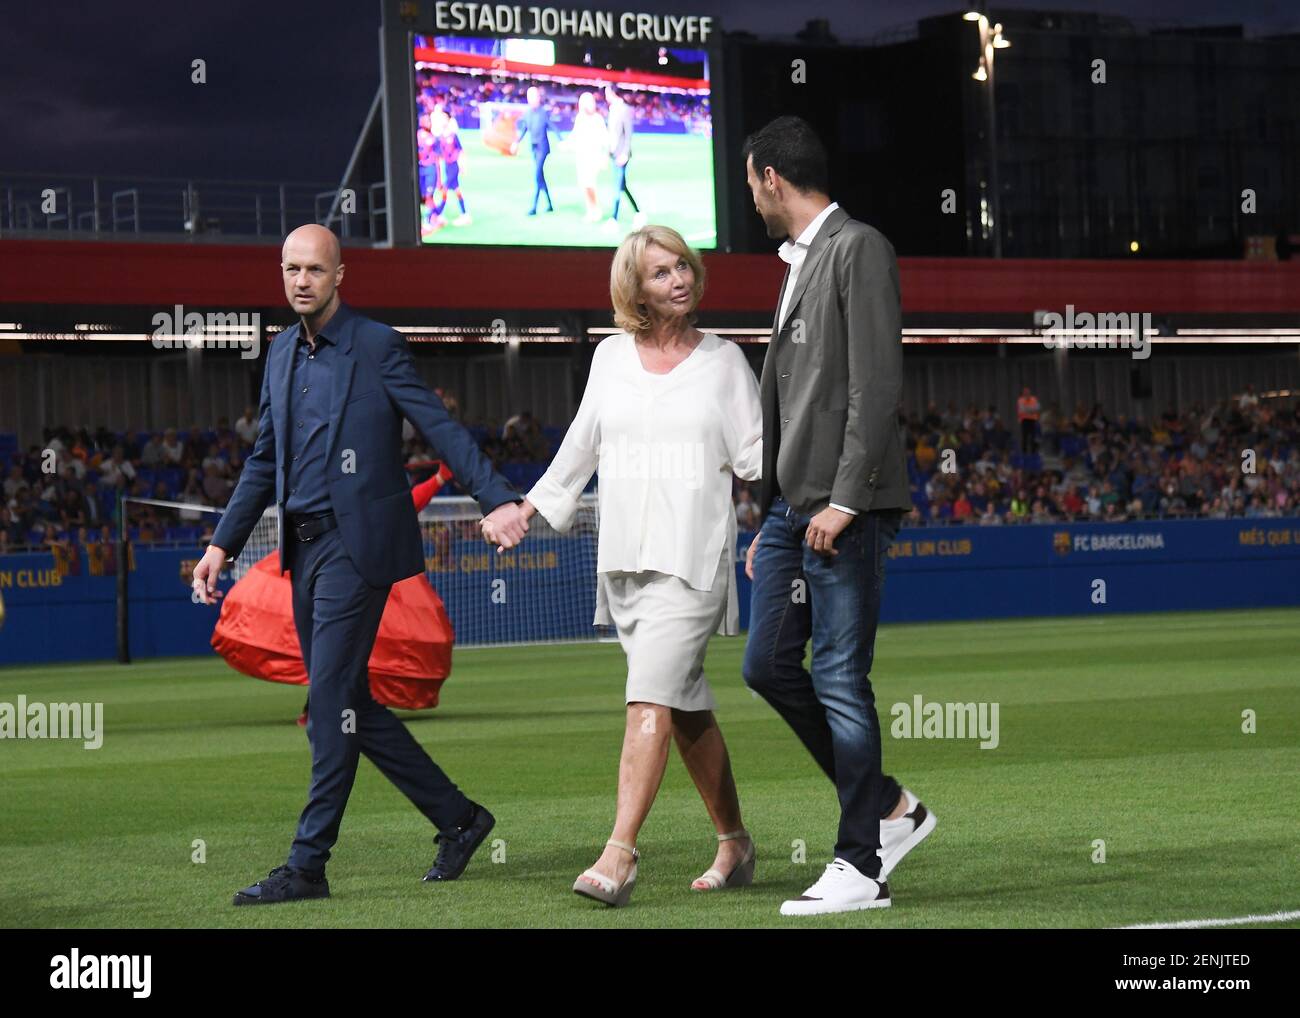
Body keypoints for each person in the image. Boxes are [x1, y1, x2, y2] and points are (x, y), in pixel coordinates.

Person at [191, 224, 529, 906]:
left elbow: (437, 427)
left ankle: (307, 866)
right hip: (303, 549)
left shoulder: (376, 346)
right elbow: (263, 461)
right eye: (290, 268)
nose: (301, 280)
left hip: (358, 547)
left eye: (314, 269)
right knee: (347, 703)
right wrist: (220, 544)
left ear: (339, 274)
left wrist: (496, 498)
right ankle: (460, 819)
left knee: (328, 703)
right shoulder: (280, 352)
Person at [483, 225, 763, 907]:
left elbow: (759, 459)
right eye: (662, 271)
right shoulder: (610, 357)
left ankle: (619, 852)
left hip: (693, 562)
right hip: (626, 564)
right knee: (683, 705)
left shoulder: (726, 362)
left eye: (684, 267)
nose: (679, 279)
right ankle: (735, 842)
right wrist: (526, 507)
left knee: (648, 698)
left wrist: (777, 527)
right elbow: (581, 444)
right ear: (634, 288)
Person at [739, 116, 935, 916]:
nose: (750, 196)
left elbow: (875, 386)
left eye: (751, 182)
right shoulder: (801, 260)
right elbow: (791, 398)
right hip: (792, 509)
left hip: (843, 506)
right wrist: (770, 516)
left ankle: (860, 866)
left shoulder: (859, 248)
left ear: (771, 179)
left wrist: (847, 499)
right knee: (766, 666)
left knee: (841, 681)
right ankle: (892, 809)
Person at [511, 86, 560, 216]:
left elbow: (551, 126)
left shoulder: (543, 112)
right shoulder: (527, 113)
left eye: (533, 96)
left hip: (543, 148)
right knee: (541, 177)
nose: (531, 99)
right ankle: (550, 205)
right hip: (534, 148)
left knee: (537, 175)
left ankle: (534, 206)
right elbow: (524, 129)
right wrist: (516, 142)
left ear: (538, 97)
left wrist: (560, 139)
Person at [605, 85, 645, 229]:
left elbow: (628, 134)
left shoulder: (624, 110)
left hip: (622, 155)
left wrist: (625, 154)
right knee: (622, 186)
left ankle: (613, 219)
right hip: (614, 153)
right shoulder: (612, 109)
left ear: (613, 93)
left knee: (617, 185)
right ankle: (639, 213)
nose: (605, 96)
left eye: (606, 93)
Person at [571, 92, 610, 223]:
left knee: (590, 184)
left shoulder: (597, 119)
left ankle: (596, 210)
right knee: (584, 185)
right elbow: (575, 135)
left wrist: (605, 157)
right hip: (581, 157)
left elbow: (605, 139)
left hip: (593, 158)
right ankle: (591, 210)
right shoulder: (580, 118)